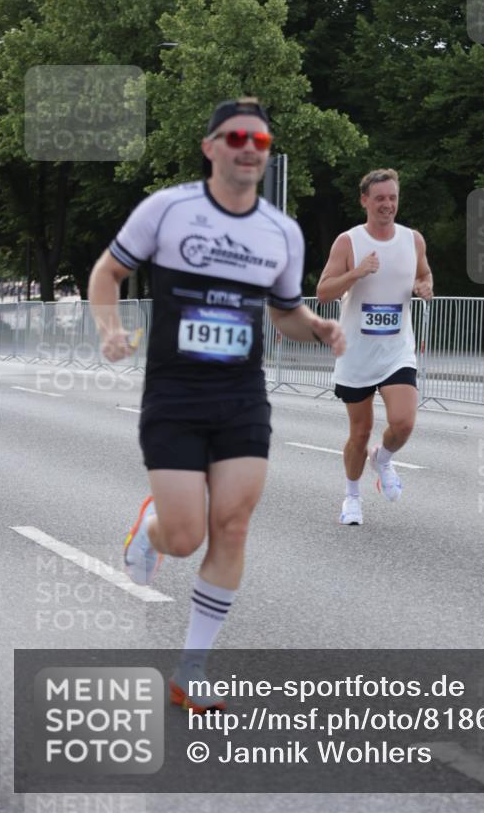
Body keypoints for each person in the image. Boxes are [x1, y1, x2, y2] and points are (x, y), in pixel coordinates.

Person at [88, 97, 344, 711]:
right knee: (184, 538)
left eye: (259, 138)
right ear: (211, 148)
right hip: (175, 395)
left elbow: (284, 315)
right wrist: (108, 329)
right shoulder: (168, 210)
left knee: (231, 525)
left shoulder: (281, 232)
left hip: (241, 396)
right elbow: (106, 273)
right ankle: (150, 531)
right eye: (236, 137)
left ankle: (191, 672)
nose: (250, 147)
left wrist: (321, 327)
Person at [316, 169, 433, 526]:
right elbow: (323, 292)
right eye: (380, 198)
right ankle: (352, 497)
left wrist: (425, 287)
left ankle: (382, 459)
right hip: (356, 352)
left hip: (397, 349)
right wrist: (356, 273)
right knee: (360, 432)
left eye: (392, 198)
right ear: (364, 200)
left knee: (403, 423)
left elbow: (424, 274)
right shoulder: (347, 242)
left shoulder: (413, 240)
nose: (387, 205)